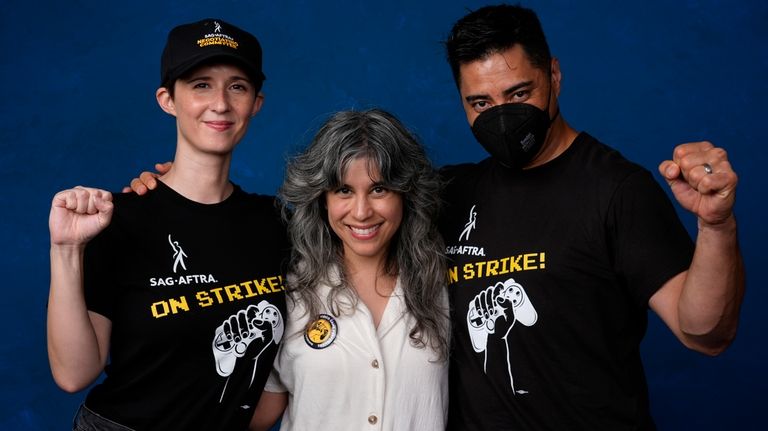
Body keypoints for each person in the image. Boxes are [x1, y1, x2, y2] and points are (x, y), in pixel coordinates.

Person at [438, 4, 744, 430]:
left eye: (519, 94)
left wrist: (716, 225)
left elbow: (706, 334)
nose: (501, 117)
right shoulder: (451, 197)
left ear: (555, 77)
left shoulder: (616, 189)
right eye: (480, 102)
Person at [46, 18, 290, 430]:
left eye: (237, 86)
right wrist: (66, 250)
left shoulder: (279, 222)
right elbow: (73, 374)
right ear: (167, 99)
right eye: (200, 84)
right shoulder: (117, 219)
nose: (220, 103)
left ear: (256, 103)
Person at [250, 109, 450, 431]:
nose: (361, 212)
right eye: (344, 190)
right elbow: (258, 412)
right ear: (322, 198)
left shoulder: (443, 285)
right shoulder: (290, 291)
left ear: (405, 193)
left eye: (379, 189)